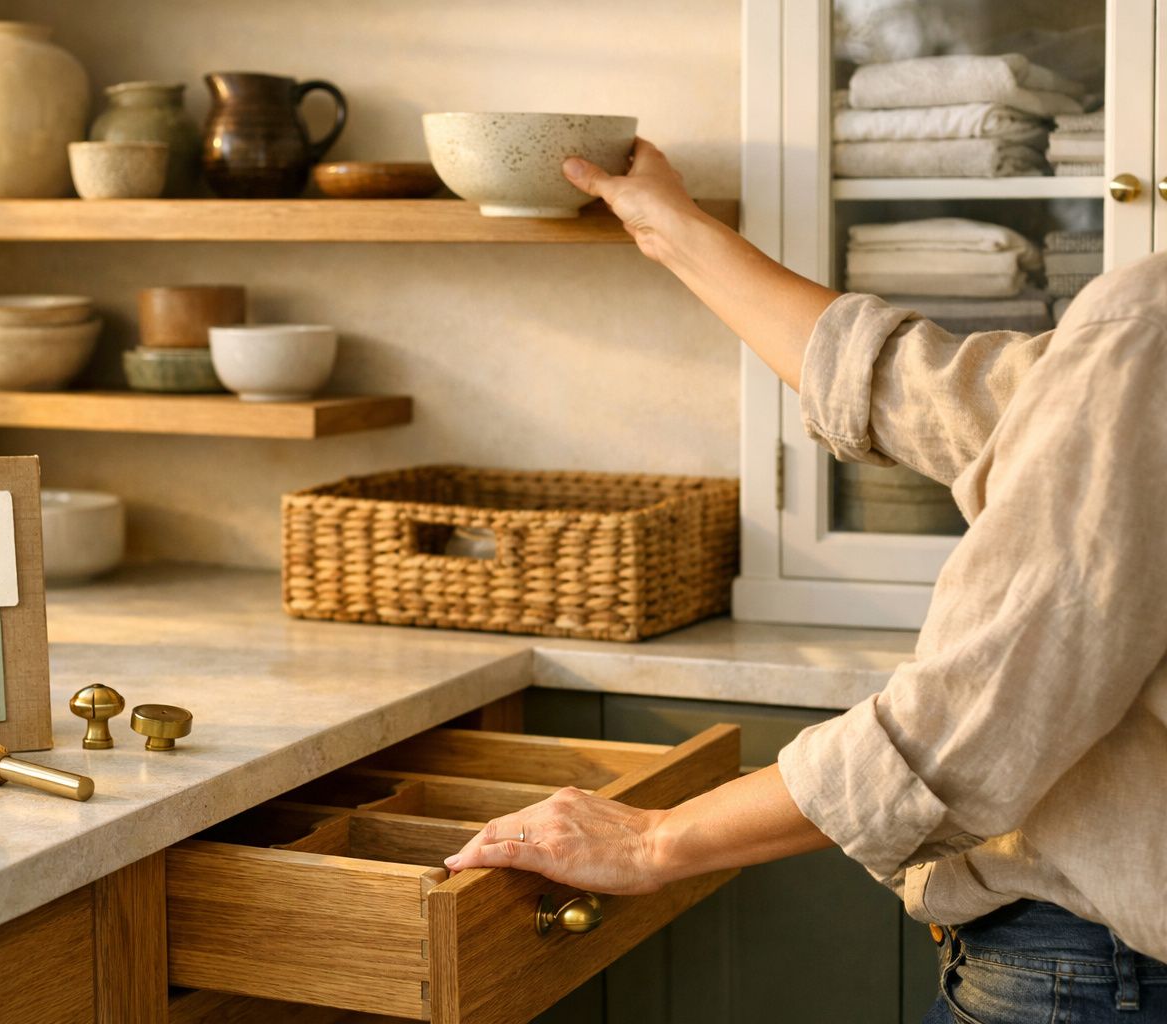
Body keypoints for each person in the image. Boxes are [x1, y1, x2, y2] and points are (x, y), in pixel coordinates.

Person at [445, 139, 1167, 1022]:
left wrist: (653, 840)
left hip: (1098, 979)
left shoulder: (1150, 321)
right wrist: (673, 229)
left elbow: (968, 724)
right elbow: (946, 392)